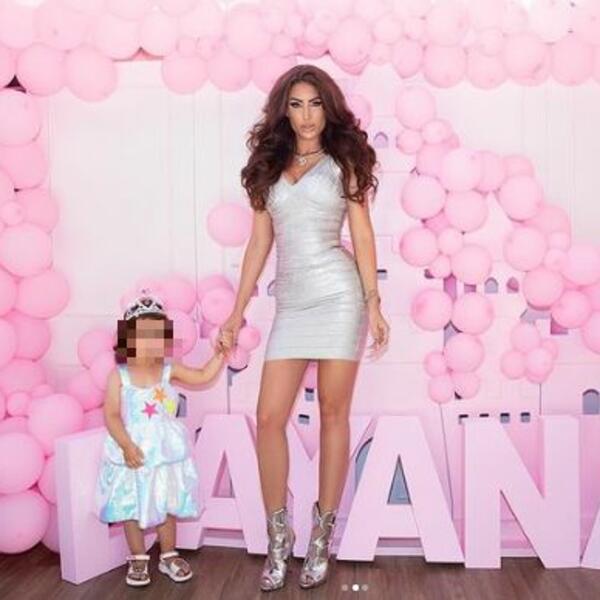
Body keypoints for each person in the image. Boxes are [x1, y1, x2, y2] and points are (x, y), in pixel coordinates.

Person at [220, 64, 390, 591]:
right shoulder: (269, 166)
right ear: (284, 111)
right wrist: (236, 310)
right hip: (291, 303)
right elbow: (258, 244)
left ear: (328, 107)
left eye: (315, 103)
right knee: (269, 417)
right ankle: (279, 540)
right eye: (296, 104)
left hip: (339, 297)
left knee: (334, 414)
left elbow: (362, 235)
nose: (307, 115)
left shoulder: (345, 162)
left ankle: (321, 538)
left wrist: (374, 303)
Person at [95, 291, 232, 587]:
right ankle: (138, 556)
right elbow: (112, 415)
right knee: (132, 504)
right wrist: (126, 445)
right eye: (144, 335)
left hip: (164, 451)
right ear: (129, 337)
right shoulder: (119, 375)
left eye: (157, 335)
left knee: (166, 501)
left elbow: (202, 376)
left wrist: (220, 354)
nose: (151, 341)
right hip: (134, 451)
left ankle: (168, 554)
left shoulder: (169, 369)